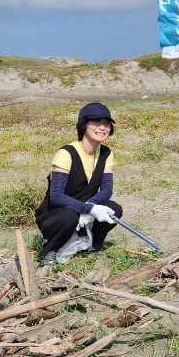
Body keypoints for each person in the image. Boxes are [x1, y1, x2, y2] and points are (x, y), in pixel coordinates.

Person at [35, 102, 123, 264]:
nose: (102, 127)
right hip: (58, 212)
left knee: (114, 209)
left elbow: (107, 189)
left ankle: (94, 246)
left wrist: (91, 206)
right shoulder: (66, 153)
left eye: (106, 123)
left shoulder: (106, 154)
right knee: (68, 217)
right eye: (96, 122)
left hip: (85, 208)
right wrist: (87, 208)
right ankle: (50, 249)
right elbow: (56, 196)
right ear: (84, 125)